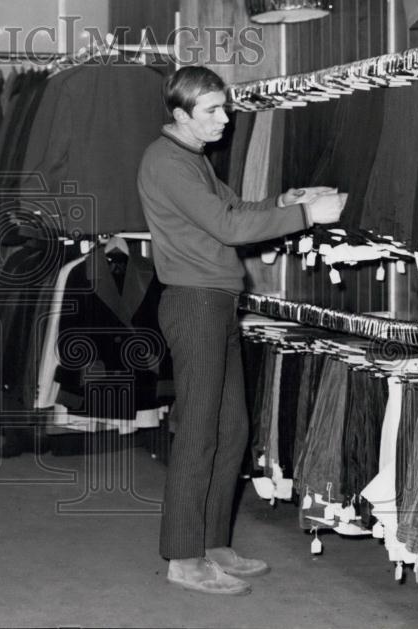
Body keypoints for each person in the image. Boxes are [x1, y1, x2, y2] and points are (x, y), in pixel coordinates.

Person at [136, 66, 346, 596]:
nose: (226, 119)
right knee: (201, 432)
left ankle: (212, 543)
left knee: (231, 430)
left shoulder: (192, 158)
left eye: (224, 107)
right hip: (195, 304)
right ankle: (184, 557)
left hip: (215, 303)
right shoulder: (166, 162)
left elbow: (234, 209)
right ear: (181, 114)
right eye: (212, 110)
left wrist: (282, 201)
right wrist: (304, 215)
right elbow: (229, 227)